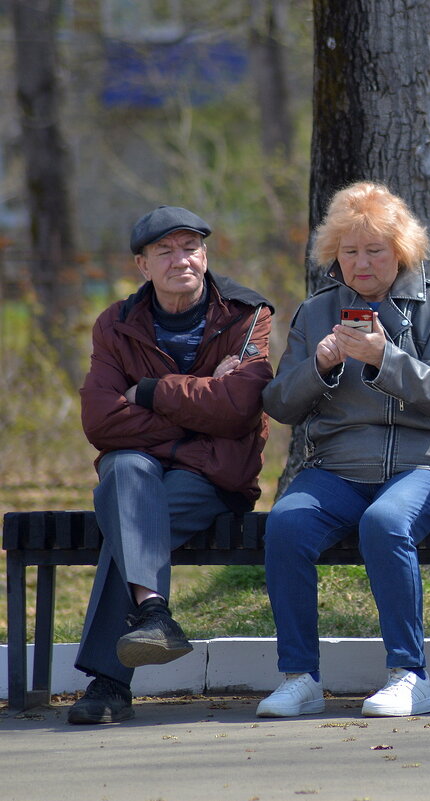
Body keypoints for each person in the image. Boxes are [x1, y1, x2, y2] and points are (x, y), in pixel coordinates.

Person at [256, 181, 430, 718]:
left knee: (385, 521)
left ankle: (410, 676)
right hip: (337, 468)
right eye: (349, 251)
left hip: (429, 461)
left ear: (399, 252)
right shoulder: (315, 313)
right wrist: (320, 366)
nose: (362, 262)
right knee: (285, 524)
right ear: (335, 255)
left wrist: (384, 357)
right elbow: (279, 403)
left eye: (375, 250)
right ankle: (300, 678)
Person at [69, 206, 274, 724]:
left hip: (214, 479)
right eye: (165, 250)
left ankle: (109, 681)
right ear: (142, 265)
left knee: (130, 512)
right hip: (158, 467)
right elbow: (100, 422)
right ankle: (153, 614)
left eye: (190, 247)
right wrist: (198, 411)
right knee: (123, 471)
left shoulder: (246, 315)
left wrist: (148, 393)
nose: (180, 259)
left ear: (205, 256)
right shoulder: (115, 325)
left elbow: (239, 407)